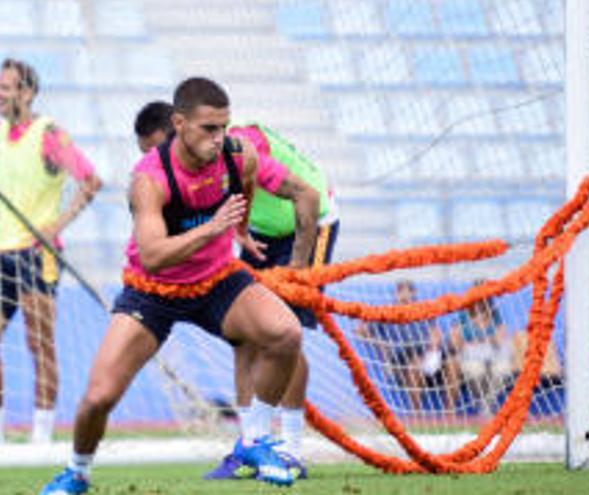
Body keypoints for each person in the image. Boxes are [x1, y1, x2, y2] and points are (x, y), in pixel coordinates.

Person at [40, 77, 304, 494]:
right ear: (179, 123)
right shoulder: (150, 179)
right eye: (209, 129)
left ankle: (252, 439)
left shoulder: (240, 155)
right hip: (154, 292)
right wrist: (214, 227)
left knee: (286, 333)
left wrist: (238, 227)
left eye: (224, 126)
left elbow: (247, 181)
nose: (220, 138)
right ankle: (76, 472)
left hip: (217, 280)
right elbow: (153, 255)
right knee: (98, 397)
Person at [133, 101, 338, 480]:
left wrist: (296, 268)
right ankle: (251, 443)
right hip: (261, 231)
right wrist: (240, 229)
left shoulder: (237, 148)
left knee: (284, 331)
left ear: (180, 134)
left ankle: (291, 449)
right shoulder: (172, 173)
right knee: (245, 338)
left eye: (157, 151)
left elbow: (306, 196)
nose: (156, 165)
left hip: (309, 224)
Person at [0, 58, 102, 445]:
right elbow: (0, 193)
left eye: (5, 87)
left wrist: (55, 227)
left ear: (26, 93)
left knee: (38, 343)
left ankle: (41, 439)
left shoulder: (49, 134)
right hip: (0, 254)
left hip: (37, 254)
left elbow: (91, 180)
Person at [355, 280, 448, 413]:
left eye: (408, 291)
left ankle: (448, 413)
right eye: (400, 291)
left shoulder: (423, 311)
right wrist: (381, 346)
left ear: (414, 294)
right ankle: (416, 413)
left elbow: (435, 332)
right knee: (414, 364)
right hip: (400, 358)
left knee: (450, 364)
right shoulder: (387, 312)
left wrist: (434, 348)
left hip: (423, 354)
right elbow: (362, 331)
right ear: (396, 294)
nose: (404, 295)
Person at [449, 282, 511, 417]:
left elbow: (501, 340)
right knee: (476, 371)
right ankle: (484, 405)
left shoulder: (495, 316)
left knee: (502, 370)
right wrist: (471, 341)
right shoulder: (463, 316)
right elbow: (455, 342)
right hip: (470, 356)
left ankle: (486, 405)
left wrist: (484, 340)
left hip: (493, 354)